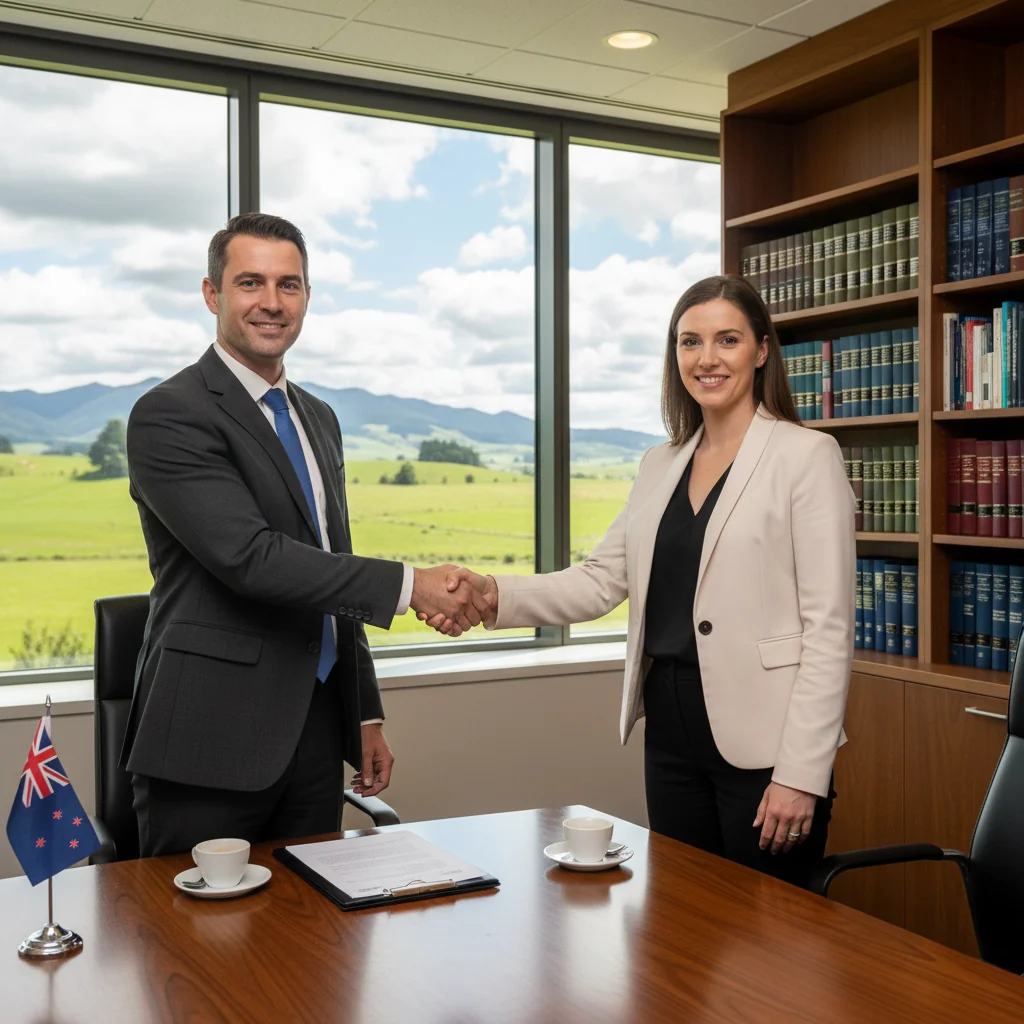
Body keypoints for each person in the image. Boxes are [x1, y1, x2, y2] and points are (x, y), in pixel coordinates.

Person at [434, 275, 855, 888]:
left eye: (727, 340)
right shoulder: (661, 463)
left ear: (761, 350)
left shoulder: (806, 456)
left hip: (768, 743)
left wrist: (801, 773)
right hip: (671, 731)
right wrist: (492, 593)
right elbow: (601, 580)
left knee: (770, 939)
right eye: (690, 342)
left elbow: (829, 630)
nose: (706, 358)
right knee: (685, 922)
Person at [123, 212, 481, 856]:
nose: (271, 302)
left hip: (315, 730)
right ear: (213, 294)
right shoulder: (170, 413)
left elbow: (330, 568)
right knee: (198, 944)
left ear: (307, 298)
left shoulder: (318, 418)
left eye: (289, 285)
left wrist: (363, 713)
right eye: (250, 282)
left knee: (316, 941)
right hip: (210, 737)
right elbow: (251, 559)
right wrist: (412, 584)